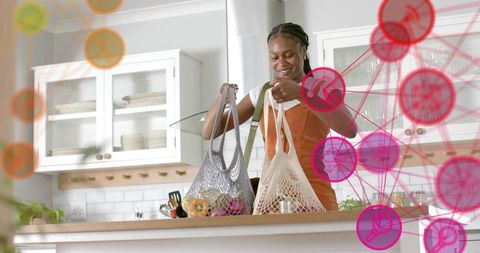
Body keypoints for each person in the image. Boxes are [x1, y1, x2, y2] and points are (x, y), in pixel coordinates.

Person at [202, 22, 357, 211]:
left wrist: (302, 94)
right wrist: (221, 99)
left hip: (316, 196)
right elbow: (209, 132)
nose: (281, 63)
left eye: (288, 55)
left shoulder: (321, 90)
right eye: (274, 57)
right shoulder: (262, 94)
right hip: (272, 201)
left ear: (304, 51)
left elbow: (349, 129)